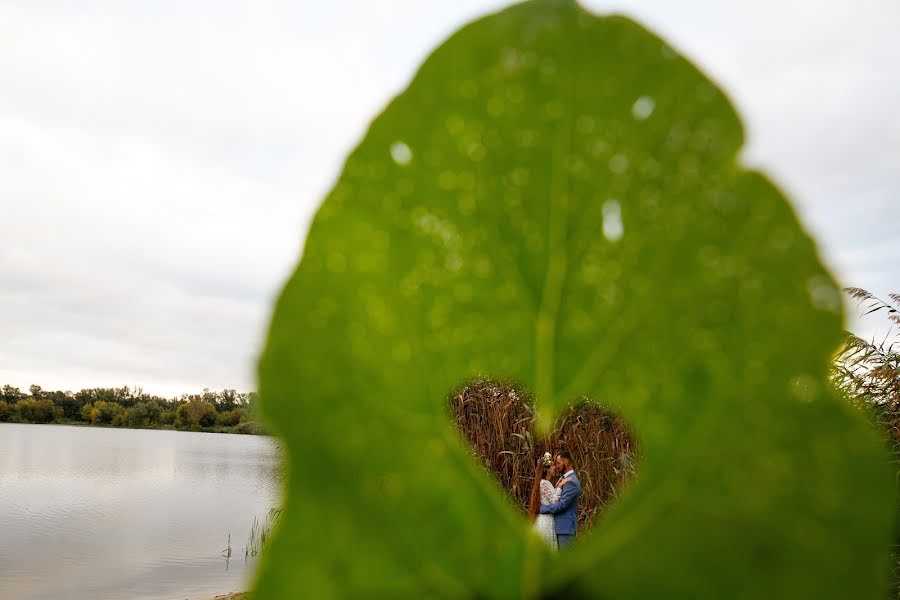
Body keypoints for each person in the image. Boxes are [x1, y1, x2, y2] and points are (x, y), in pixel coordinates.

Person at [539, 450, 582, 549]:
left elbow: (562, 505)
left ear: (566, 463)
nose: (557, 466)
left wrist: (542, 509)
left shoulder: (571, 482)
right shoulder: (564, 479)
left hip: (565, 528)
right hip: (559, 528)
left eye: (558, 463)